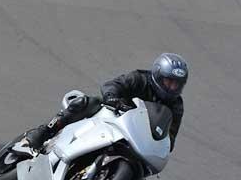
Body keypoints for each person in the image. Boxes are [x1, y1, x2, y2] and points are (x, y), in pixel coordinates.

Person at [25, 53, 188, 153]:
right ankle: (46, 130)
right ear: (159, 75)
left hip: (135, 135)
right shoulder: (139, 78)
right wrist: (112, 98)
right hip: (112, 113)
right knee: (87, 102)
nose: (172, 87)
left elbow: (170, 137)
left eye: (177, 84)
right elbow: (113, 85)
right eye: (169, 82)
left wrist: (162, 146)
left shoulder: (176, 106)